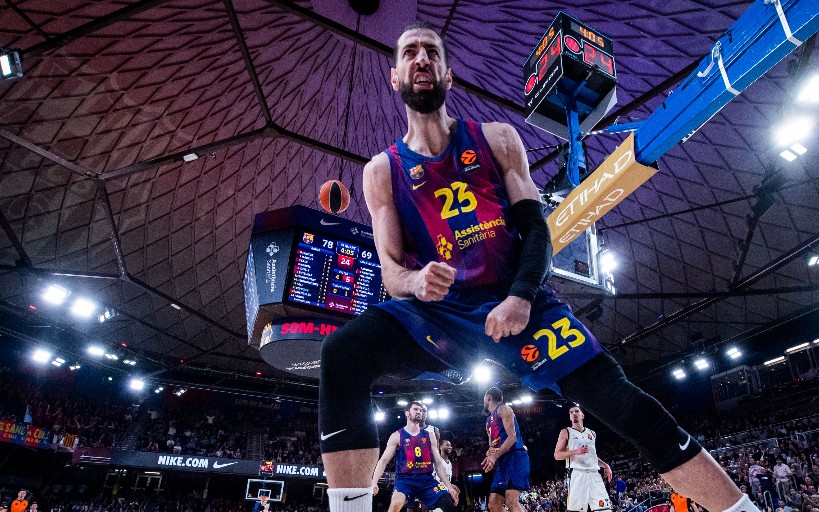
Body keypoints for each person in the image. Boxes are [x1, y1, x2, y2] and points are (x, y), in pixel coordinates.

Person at [317, 21, 755, 512]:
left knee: (621, 402)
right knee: (343, 353)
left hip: (515, 302)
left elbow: (538, 231)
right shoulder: (382, 170)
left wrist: (522, 296)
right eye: (410, 53)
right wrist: (416, 280)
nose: (421, 59)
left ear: (448, 74)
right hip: (436, 313)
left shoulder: (497, 139)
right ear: (395, 78)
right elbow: (392, 273)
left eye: (431, 52)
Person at [370, 402, 459, 512]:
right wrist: (374, 482)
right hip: (405, 481)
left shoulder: (430, 436)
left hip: (427, 481)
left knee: (448, 505)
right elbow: (383, 461)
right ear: (407, 413)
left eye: (421, 410)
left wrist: (449, 487)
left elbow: (439, 464)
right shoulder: (397, 436)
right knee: (395, 506)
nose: (419, 412)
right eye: (415, 409)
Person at [554, 406, 613, 512]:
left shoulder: (592, 433)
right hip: (577, 474)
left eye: (576, 411)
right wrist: (574, 452)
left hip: (594, 474)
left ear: (583, 415)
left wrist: (605, 465)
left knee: (605, 509)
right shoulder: (566, 432)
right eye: (571, 412)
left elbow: (592, 456)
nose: (574, 414)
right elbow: (557, 455)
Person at [483, 387, 528, 512]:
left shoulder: (503, 409)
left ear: (488, 397)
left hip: (515, 456)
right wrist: (489, 454)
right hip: (502, 462)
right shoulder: (488, 421)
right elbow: (492, 447)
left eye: (484, 398)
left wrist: (494, 456)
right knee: (493, 504)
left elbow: (512, 438)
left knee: (511, 500)